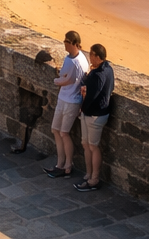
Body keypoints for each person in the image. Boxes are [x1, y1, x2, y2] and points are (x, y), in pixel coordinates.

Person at [47, 31, 91, 179]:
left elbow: (67, 80)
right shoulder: (73, 58)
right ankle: (60, 164)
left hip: (71, 101)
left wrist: (55, 81)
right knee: (55, 129)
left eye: (67, 41)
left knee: (64, 133)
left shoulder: (76, 61)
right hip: (64, 98)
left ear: (74, 43)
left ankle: (67, 165)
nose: (65, 43)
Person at [76, 43, 115, 192]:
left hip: (95, 115)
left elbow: (91, 96)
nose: (90, 57)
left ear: (98, 57)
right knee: (86, 144)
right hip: (94, 113)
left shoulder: (98, 75)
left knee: (92, 146)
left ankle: (94, 179)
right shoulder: (108, 69)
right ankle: (89, 174)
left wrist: (83, 100)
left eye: (91, 55)